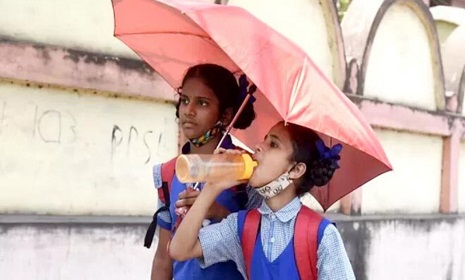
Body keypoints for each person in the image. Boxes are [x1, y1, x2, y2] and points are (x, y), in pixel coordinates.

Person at [169, 121, 356, 280]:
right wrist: (212, 188)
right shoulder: (241, 226)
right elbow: (180, 250)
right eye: (264, 139)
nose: (259, 146)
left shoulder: (321, 235)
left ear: (296, 170)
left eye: (273, 145)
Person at [150, 63, 262, 280]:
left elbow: (262, 244)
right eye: (185, 100)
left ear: (226, 116)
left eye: (202, 103)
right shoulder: (168, 173)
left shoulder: (248, 169)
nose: (189, 111)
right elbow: (164, 257)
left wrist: (218, 212)